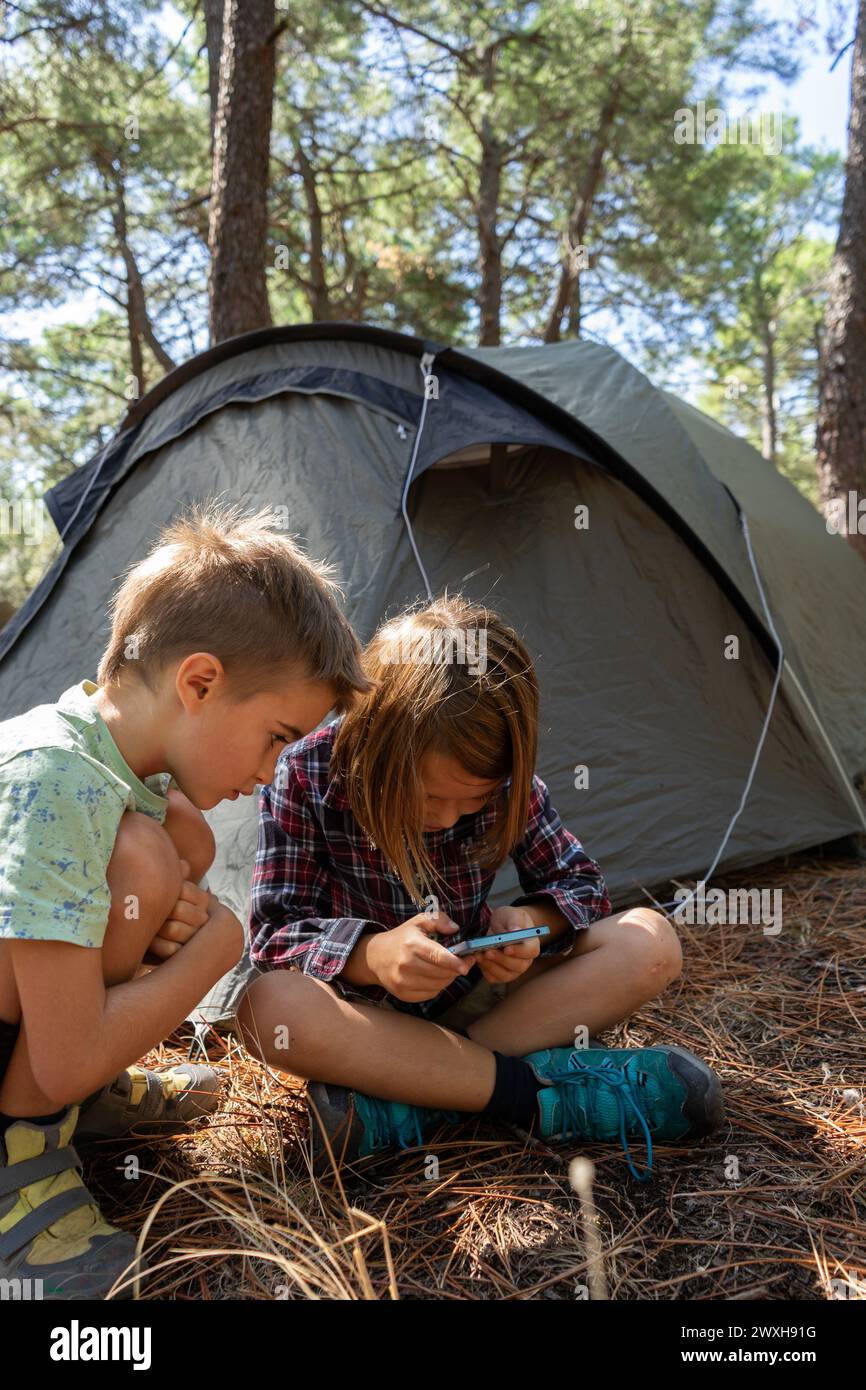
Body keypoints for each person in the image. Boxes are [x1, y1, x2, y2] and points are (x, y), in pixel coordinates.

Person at [0, 502, 371, 1299]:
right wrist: (215, 947)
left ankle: (78, 1102)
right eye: (277, 735)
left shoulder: (104, 753)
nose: (275, 771)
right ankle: (18, 1158)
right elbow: (60, 1052)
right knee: (143, 853)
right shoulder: (54, 779)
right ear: (199, 681)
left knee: (178, 841)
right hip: (44, 1052)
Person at [236, 595, 724, 1182]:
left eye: (472, 800)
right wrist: (373, 955)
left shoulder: (505, 784)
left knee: (650, 942)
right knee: (268, 1009)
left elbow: (580, 885)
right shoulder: (307, 773)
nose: (448, 818)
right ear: (377, 747)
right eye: (430, 797)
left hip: (476, 1007)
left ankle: (417, 1098)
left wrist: (532, 923)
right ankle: (540, 1095)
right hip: (366, 1026)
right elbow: (274, 934)